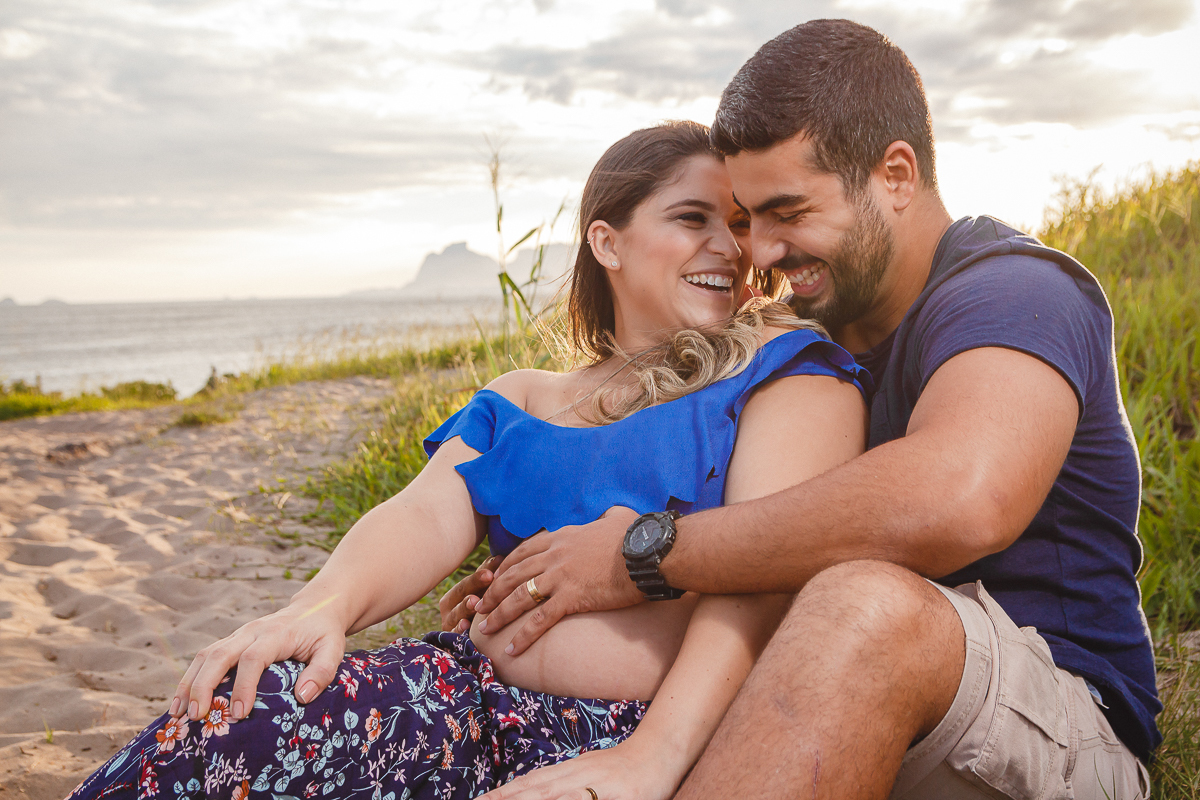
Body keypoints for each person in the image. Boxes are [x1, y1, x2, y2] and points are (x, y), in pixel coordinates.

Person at [65, 121, 871, 800]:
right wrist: (322, 607)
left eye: (738, 224)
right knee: (232, 722)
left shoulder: (784, 370)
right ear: (607, 241)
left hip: (641, 735)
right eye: (693, 217)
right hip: (463, 697)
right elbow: (422, 512)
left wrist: (645, 758)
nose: (727, 247)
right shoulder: (523, 396)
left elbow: (769, 578)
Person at [463, 20, 1159, 800]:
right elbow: (734, 510)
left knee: (860, 602)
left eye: (786, 213)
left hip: (1047, 720)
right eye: (745, 218)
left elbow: (960, 499)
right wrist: (546, 568)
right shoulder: (799, 345)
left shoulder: (1012, 292)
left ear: (895, 175)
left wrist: (642, 555)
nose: (757, 253)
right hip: (811, 703)